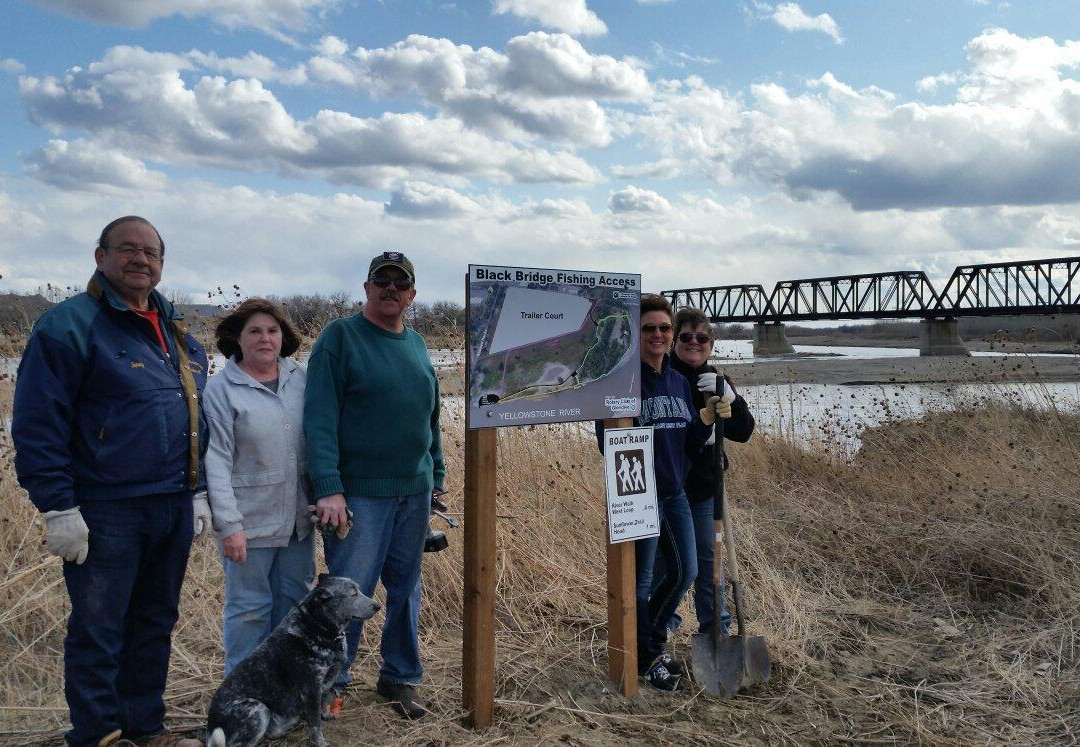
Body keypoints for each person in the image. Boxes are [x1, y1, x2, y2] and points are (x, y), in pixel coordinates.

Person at [12, 216, 208, 747]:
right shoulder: (69, 326)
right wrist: (58, 507)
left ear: (162, 264)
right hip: (106, 508)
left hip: (170, 503)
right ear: (100, 257)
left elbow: (195, 415)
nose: (140, 259)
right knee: (100, 630)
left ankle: (145, 728)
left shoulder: (174, 329)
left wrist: (200, 489)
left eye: (150, 252)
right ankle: (99, 734)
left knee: (153, 623)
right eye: (127, 248)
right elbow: (36, 423)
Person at [304, 251, 445, 720]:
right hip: (359, 495)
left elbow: (431, 418)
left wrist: (436, 476)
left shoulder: (419, 344)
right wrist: (328, 487)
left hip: (415, 491)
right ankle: (331, 686)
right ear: (366, 288)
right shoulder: (339, 338)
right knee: (348, 593)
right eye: (381, 280)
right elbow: (319, 418)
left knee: (406, 588)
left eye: (400, 283)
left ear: (412, 295)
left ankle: (400, 677)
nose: (391, 289)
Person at [595, 294, 728, 692]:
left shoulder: (676, 381)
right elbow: (608, 441)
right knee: (640, 581)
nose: (658, 334)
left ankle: (645, 646)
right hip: (638, 496)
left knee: (686, 571)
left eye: (664, 328)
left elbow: (688, 442)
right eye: (649, 328)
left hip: (674, 495)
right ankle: (644, 657)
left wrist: (705, 420)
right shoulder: (623, 381)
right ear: (636, 335)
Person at [203, 298, 315, 676]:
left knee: (295, 606)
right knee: (249, 609)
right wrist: (229, 526)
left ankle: (286, 689)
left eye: (272, 330)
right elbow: (216, 459)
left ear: (283, 337)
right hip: (249, 524)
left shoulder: (301, 379)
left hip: (298, 522)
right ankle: (242, 691)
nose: (265, 339)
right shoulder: (222, 389)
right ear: (238, 338)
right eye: (254, 331)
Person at [658, 306, 755, 638]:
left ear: (711, 343)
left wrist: (730, 397)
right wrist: (699, 424)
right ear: (674, 340)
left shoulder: (716, 380)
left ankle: (716, 629)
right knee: (671, 564)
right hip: (670, 488)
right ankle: (662, 625)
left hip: (703, 488)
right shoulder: (664, 375)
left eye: (702, 338)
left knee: (708, 562)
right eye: (686, 336)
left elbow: (743, 431)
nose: (694, 343)